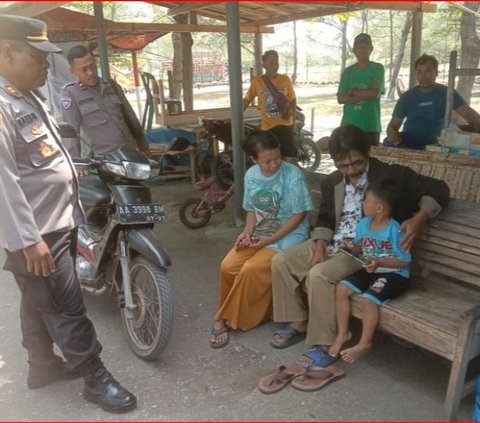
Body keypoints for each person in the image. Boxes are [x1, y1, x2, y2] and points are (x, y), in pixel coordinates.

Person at [0, 14, 136, 413]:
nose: (46, 64)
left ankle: (42, 366)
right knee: (65, 305)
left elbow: (39, 160)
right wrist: (29, 241)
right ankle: (96, 378)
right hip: (38, 233)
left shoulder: (25, 96)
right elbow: (4, 182)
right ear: (5, 51)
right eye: (36, 55)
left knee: (36, 299)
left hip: (55, 222)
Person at [269, 124, 450, 367]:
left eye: (357, 162)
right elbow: (324, 218)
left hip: (365, 249)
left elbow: (439, 188)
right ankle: (298, 320)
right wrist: (321, 243)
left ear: (368, 154)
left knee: (319, 275)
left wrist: (420, 218)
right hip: (334, 242)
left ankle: (327, 342)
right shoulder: (332, 181)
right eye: (343, 165)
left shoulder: (392, 175)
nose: (351, 170)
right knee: (281, 261)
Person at [210, 130, 313, 349]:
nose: (274, 164)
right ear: (253, 159)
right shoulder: (251, 176)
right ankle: (253, 310)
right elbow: (251, 211)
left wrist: (268, 240)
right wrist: (246, 233)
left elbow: (299, 215)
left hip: (289, 234)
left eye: (277, 157)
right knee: (228, 266)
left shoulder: (292, 174)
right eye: (267, 161)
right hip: (262, 230)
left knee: (251, 269)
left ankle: (222, 318)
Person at [329, 178, 411, 363]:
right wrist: (350, 246)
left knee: (368, 300)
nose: (362, 203)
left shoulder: (395, 230)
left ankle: (365, 343)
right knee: (341, 288)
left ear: (379, 208)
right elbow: (360, 247)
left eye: (366, 200)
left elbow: (404, 261)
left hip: (394, 274)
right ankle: (343, 333)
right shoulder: (364, 224)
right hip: (372, 269)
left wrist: (379, 261)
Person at [60, 44, 150, 158]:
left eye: (92, 66)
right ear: (72, 71)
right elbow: (70, 132)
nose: (90, 73)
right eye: (84, 69)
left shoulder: (111, 86)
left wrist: (144, 147)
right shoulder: (70, 93)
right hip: (105, 159)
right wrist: (77, 162)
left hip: (130, 153)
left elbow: (130, 117)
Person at [384, 53, 480, 150]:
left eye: (428, 71)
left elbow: (467, 112)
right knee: (387, 142)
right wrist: (391, 131)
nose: (423, 76)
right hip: (410, 141)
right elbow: (394, 124)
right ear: (415, 73)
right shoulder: (406, 97)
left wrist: (476, 122)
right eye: (419, 72)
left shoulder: (447, 93)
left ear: (436, 72)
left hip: (438, 142)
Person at [243, 50, 297, 159]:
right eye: (271, 61)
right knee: (271, 158)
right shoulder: (257, 82)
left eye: (276, 61)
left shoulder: (285, 79)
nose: (274, 64)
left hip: (286, 125)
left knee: (288, 158)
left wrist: (294, 122)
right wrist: (235, 116)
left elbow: (292, 101)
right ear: (264, 65)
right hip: (268, 127)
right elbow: (247, 99)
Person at [337, 33, 385, 146]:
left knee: (372, 160)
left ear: (371, 49)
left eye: (365, 47)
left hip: (371, 125)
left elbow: (375, 94)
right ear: (354, 50)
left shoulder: (378, 68)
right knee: (349, 160)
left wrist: (353, 92)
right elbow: (341, 98)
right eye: (359, 47)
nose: (362, 50)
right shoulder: (348, 72)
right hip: (349, 126)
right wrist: (365, 94)